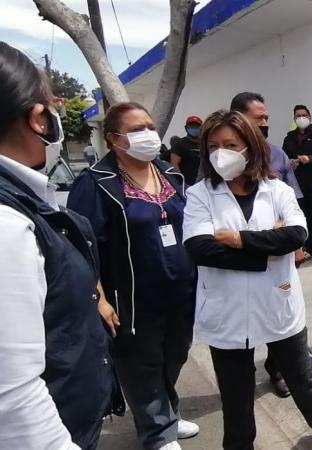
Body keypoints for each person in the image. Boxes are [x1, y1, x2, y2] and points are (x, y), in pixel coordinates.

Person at [182, 109, 312, 448]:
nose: (220, 153)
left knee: (301, 375)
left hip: (277, 300)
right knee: (235, 393)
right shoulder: (200, 194)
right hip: (226, 309)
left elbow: (297, 234)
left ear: (250, 146)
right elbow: (199, 249)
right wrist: (266, 250)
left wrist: (238, 239)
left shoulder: (276, 189)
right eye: (213, 145)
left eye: (230, 144)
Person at [0, 41, 111, 450]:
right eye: (52, 109)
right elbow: (13, 396)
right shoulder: (8, 223)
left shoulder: (26, 198)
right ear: (37, 118)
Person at [68, 102, 199, 450]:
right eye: (137, 129)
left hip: (181, 290)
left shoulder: (171, 174)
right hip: (133, 296)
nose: (149, 135)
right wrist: (99, 297)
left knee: (175, 355)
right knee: (142, 363)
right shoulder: (97, 183)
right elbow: (81, 244)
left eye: (150, 127)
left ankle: (167, 412)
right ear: (113, 138)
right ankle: (157, 433)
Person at [230, 91, 302, 398]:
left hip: (280, 251)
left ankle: (276, 369)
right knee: (242, 316)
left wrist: (295, 244)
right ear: (239, 119)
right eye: (259, 118)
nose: (265, 123)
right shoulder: (220, 158)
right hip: (238, 256)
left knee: (278, 313)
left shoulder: (277, 155)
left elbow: (294, 201)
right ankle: (239, 375)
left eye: (267, 118)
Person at [282, 104, 312, 262]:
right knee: (304, 217)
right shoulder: (289, 137)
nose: (301, 118)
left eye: (304, 115)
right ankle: (309, 248)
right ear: (294, 119)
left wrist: (310, 159)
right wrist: (290, 162)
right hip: (297, 185)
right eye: (298, 116)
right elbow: (284, 157)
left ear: (310, 117)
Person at [169, 115, 202, 186]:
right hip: (184, 185)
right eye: (191, 126)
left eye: (197, 126)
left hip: (201, 185)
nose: (194, 129)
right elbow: (174, 165)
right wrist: (181, 183)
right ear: (186, 128)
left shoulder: (205, 145)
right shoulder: (179, 144)